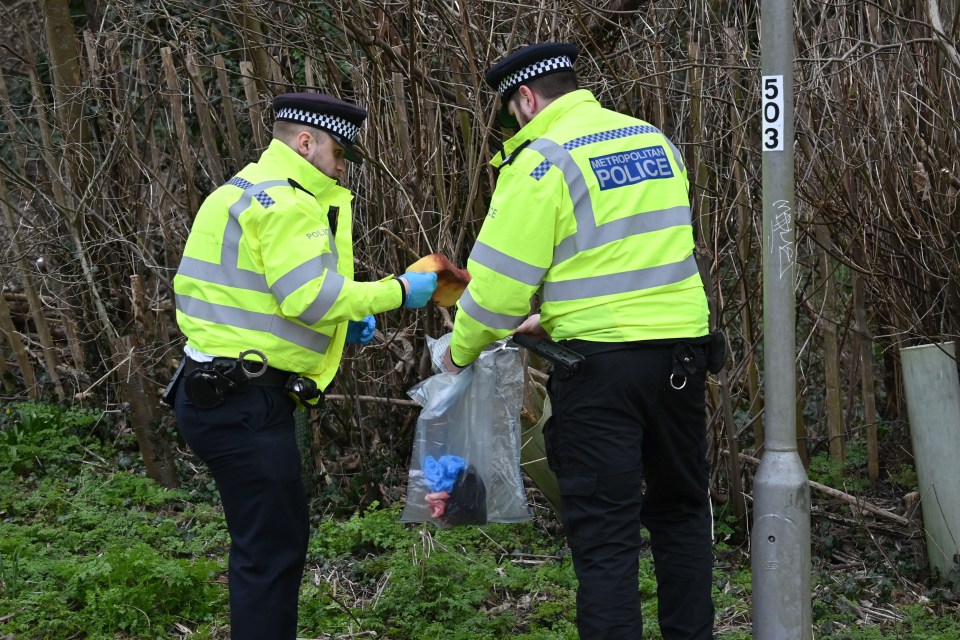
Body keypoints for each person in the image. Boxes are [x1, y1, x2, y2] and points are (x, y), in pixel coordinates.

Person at [441, 43, 715, 639]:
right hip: (680, 361)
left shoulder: (542, 162)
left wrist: (458, 352)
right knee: (683, 515)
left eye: (514, 112)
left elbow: (493, 295)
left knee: (606, 536)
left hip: (601, 377)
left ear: (526, 98)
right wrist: (556, 312)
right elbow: (640, 254)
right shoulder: (652, 140)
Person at [169, 92, 437, 640]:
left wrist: (341, 324)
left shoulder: (241, 188)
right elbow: (307, 298)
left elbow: (260, 299)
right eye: (340, 153)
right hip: (244, 404)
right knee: (271, 556)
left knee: (265, 547)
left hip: (217, 391)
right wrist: (399, 291)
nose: (343, 167)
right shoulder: (289, 202)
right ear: (306, 142)